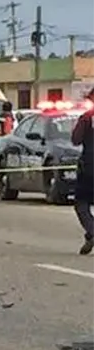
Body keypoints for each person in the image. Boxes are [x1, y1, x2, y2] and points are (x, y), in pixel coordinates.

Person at [70, 89, 94, 254]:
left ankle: (92, 232)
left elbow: (76, 140)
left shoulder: (87, 118)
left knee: (81, 204)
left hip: (89, 167)